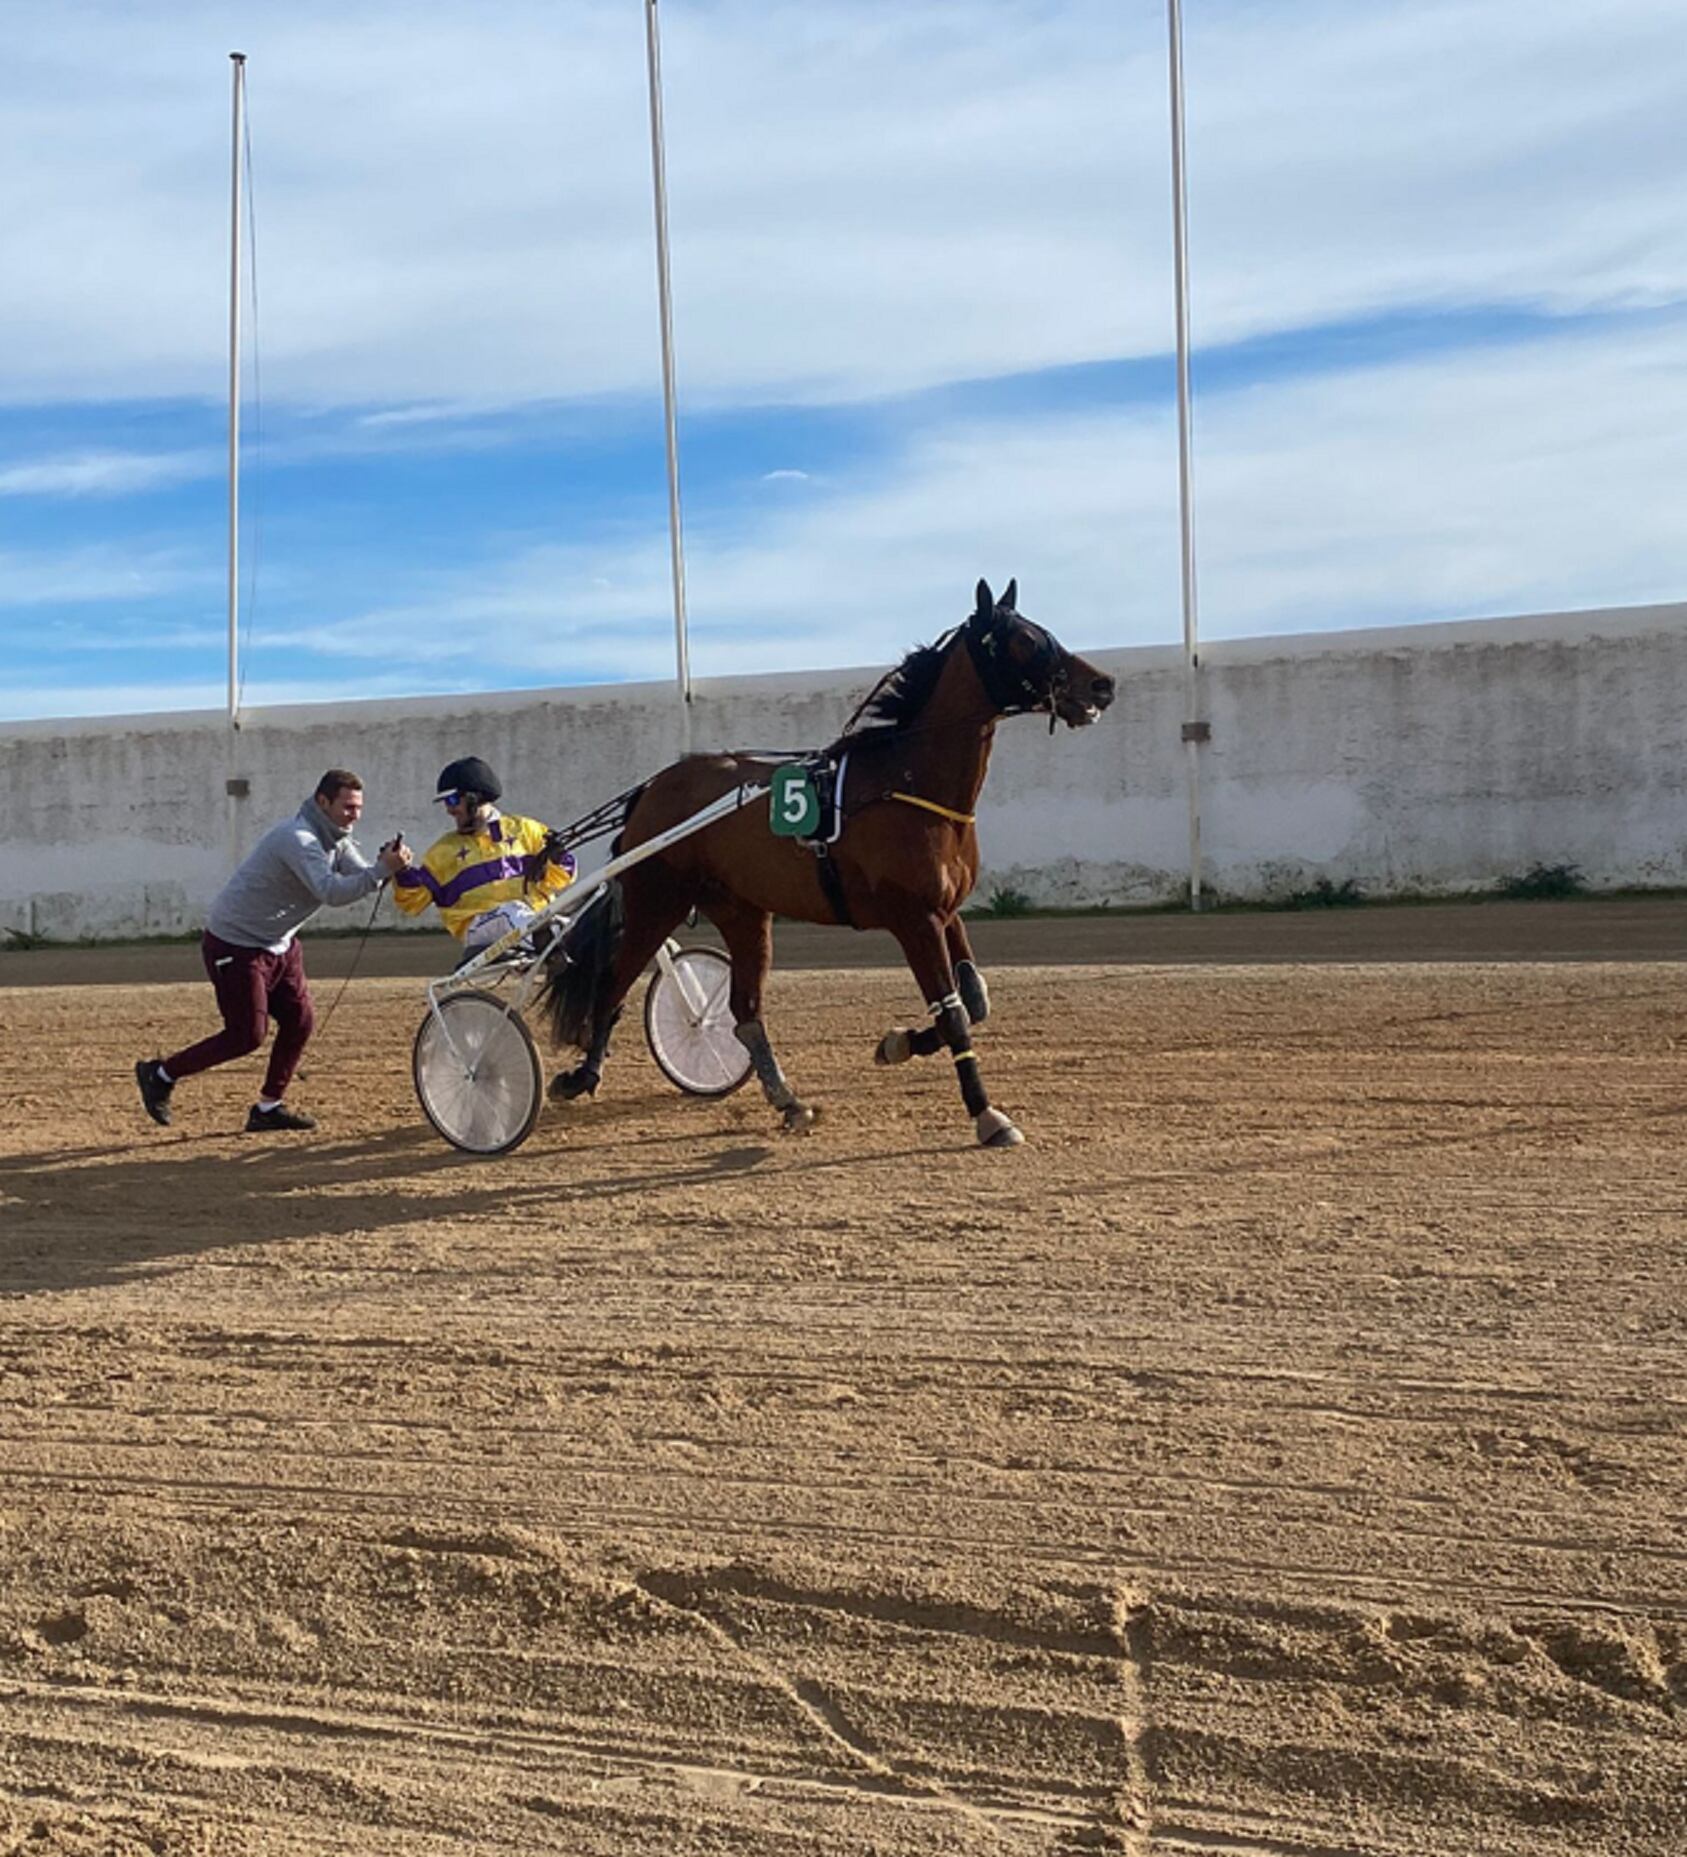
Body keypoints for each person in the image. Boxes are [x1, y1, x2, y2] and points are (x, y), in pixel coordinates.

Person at [134, 769, 411, 1133]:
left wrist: (384, 868)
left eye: (358, 808)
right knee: (246, 1035)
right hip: (235, 942)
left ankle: (268, 1107)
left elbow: (359, 877)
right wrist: (379, 871)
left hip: (279, 944)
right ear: (322, 802)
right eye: (348, 807)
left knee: (300, 1021)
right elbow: (331, 891)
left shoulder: (337, 839)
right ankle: (160, 1074)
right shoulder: (297, 839)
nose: (354, 815)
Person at [392, 756, 576, 957]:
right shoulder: (442, 851)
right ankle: (548, 947)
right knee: (509, 912)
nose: (449, 810)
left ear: (474, 798)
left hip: (536, 919)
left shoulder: (527, 830)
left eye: (453, 800)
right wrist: (401, 870)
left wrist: (557, 858)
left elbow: (563, 878)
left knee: (579, 923)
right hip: (480, 929)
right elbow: (412, 904)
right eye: (445, 802)